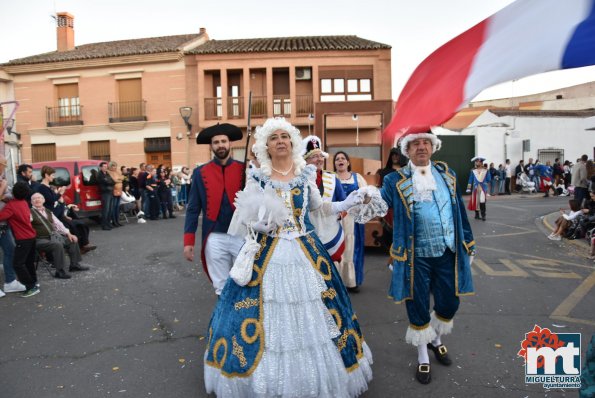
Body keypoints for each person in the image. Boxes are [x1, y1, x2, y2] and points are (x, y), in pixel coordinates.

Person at [205, 117, 372, 396]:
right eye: (274, 137)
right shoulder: (257, 176)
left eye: (285, 136)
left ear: (292, 142)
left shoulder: (305, 173)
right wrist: (254, 225)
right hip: (268, 253)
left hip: (305, 250)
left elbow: (319, 207)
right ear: (266, 146)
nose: (280, 141)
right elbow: (244, 213)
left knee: (318, 313)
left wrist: (348, 202)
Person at [362, 129, 475, 385]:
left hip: (447, 250)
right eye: (415, 144)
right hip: (415, 256)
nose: (421, 147)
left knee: (449, 303)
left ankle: (435, 339)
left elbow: (459, 211)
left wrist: (468, 242)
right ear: (407, 150)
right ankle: (423, 355)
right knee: (418, 304)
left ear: (433, 147)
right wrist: (365, 197)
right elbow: (380, 204)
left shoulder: (447, 174)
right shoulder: (395, 180)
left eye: (425, 142)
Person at [183, 123, 245, 295]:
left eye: (223, 141)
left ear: (230, 144)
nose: (220, 145)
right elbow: (193, 209)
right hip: (215, 236)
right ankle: (224, 322)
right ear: (211, 146)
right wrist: (189, 242)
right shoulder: (200, 172)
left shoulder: (244, 169)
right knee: (221, 287)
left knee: (246, 282)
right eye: (216, 142)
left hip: (241, 235)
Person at [302, 135, 346, 262]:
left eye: (321, 156)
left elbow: (344, 203)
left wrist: (338, 215)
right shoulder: (299, 179)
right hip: (307, 233)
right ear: (305, 160)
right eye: (314, 156)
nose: (319, 159)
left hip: (328, 233)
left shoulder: (333, 178)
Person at [30, 193, 89, 279]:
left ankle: (74, 265)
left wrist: (68, 234)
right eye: (34, 199)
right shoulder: (30, 213)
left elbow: (58, 224)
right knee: (57, 245)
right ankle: (60, 271)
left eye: (39, 198)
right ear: (31, 202)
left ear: (43, 200)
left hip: (53, 236)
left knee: (71, 240)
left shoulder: (48, 211)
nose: (37, 200)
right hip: (39, 239)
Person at [334, 150, 367, 292]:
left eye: (343, 158)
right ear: (334, 163)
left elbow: (367, 196)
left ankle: (352, 281)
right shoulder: (330, 178)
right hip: (336, 218)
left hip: (354, 219)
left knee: (353, 248)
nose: (340, 161)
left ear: (348, 162)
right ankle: (338, 282)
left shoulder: (357, 178)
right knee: (337, 248)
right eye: (337, 159)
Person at [0, 182, 39, 297]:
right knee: (28, 262)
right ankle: (34, 282)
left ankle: (31, 286)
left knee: (18, 264)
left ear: (12, 193)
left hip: (23, 239)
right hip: (32, 237)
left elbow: (1, 217)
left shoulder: (11, 206)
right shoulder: (24, 203)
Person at [0, 156, 26, 297]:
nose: (4, 167)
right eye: (3, 164)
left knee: (10, 251)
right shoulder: (2, 182)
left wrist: (6, 193)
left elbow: (10, 194)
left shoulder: (2, 179)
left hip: (3, 225)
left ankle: (10, 282)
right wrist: (3, 189)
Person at [467, 156, 491, 221]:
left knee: (482, 201)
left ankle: (483, 215)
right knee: (476, 202)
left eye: (477, 162)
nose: (476, 163)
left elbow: (489, 179)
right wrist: (468, 188)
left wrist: (488, 174)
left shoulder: (486, 170)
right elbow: (470, 179)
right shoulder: (473, 171)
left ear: (481, 162)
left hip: (483, 188)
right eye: (476, 162)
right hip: (475, 187)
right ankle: (477, 215)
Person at [96, 162, 115, 231]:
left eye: (106, 166)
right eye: (104, 166)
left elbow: (113, 182)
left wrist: (108, 181)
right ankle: (104, 225)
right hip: (105, 193)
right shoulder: (99, 175)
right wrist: (108, 182)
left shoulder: (107, 174)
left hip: (110, 192)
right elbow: (105, 182)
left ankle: (108, 223)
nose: (105, 167)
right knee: (105, 210)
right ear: (100, 167)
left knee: (110, 209)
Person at [107, 161, 124, 227]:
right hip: (114, 191)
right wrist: (119, 179)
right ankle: (114, 221)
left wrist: (119, 179)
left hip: (119, 190)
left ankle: (117, 221)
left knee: (117, 207)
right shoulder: (109, 172)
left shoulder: (117, 172)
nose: (115, 167)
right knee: (113, 207)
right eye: (113, 166)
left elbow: (122, 178)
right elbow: (114, 180)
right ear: (110, 166)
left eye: (115, 166)